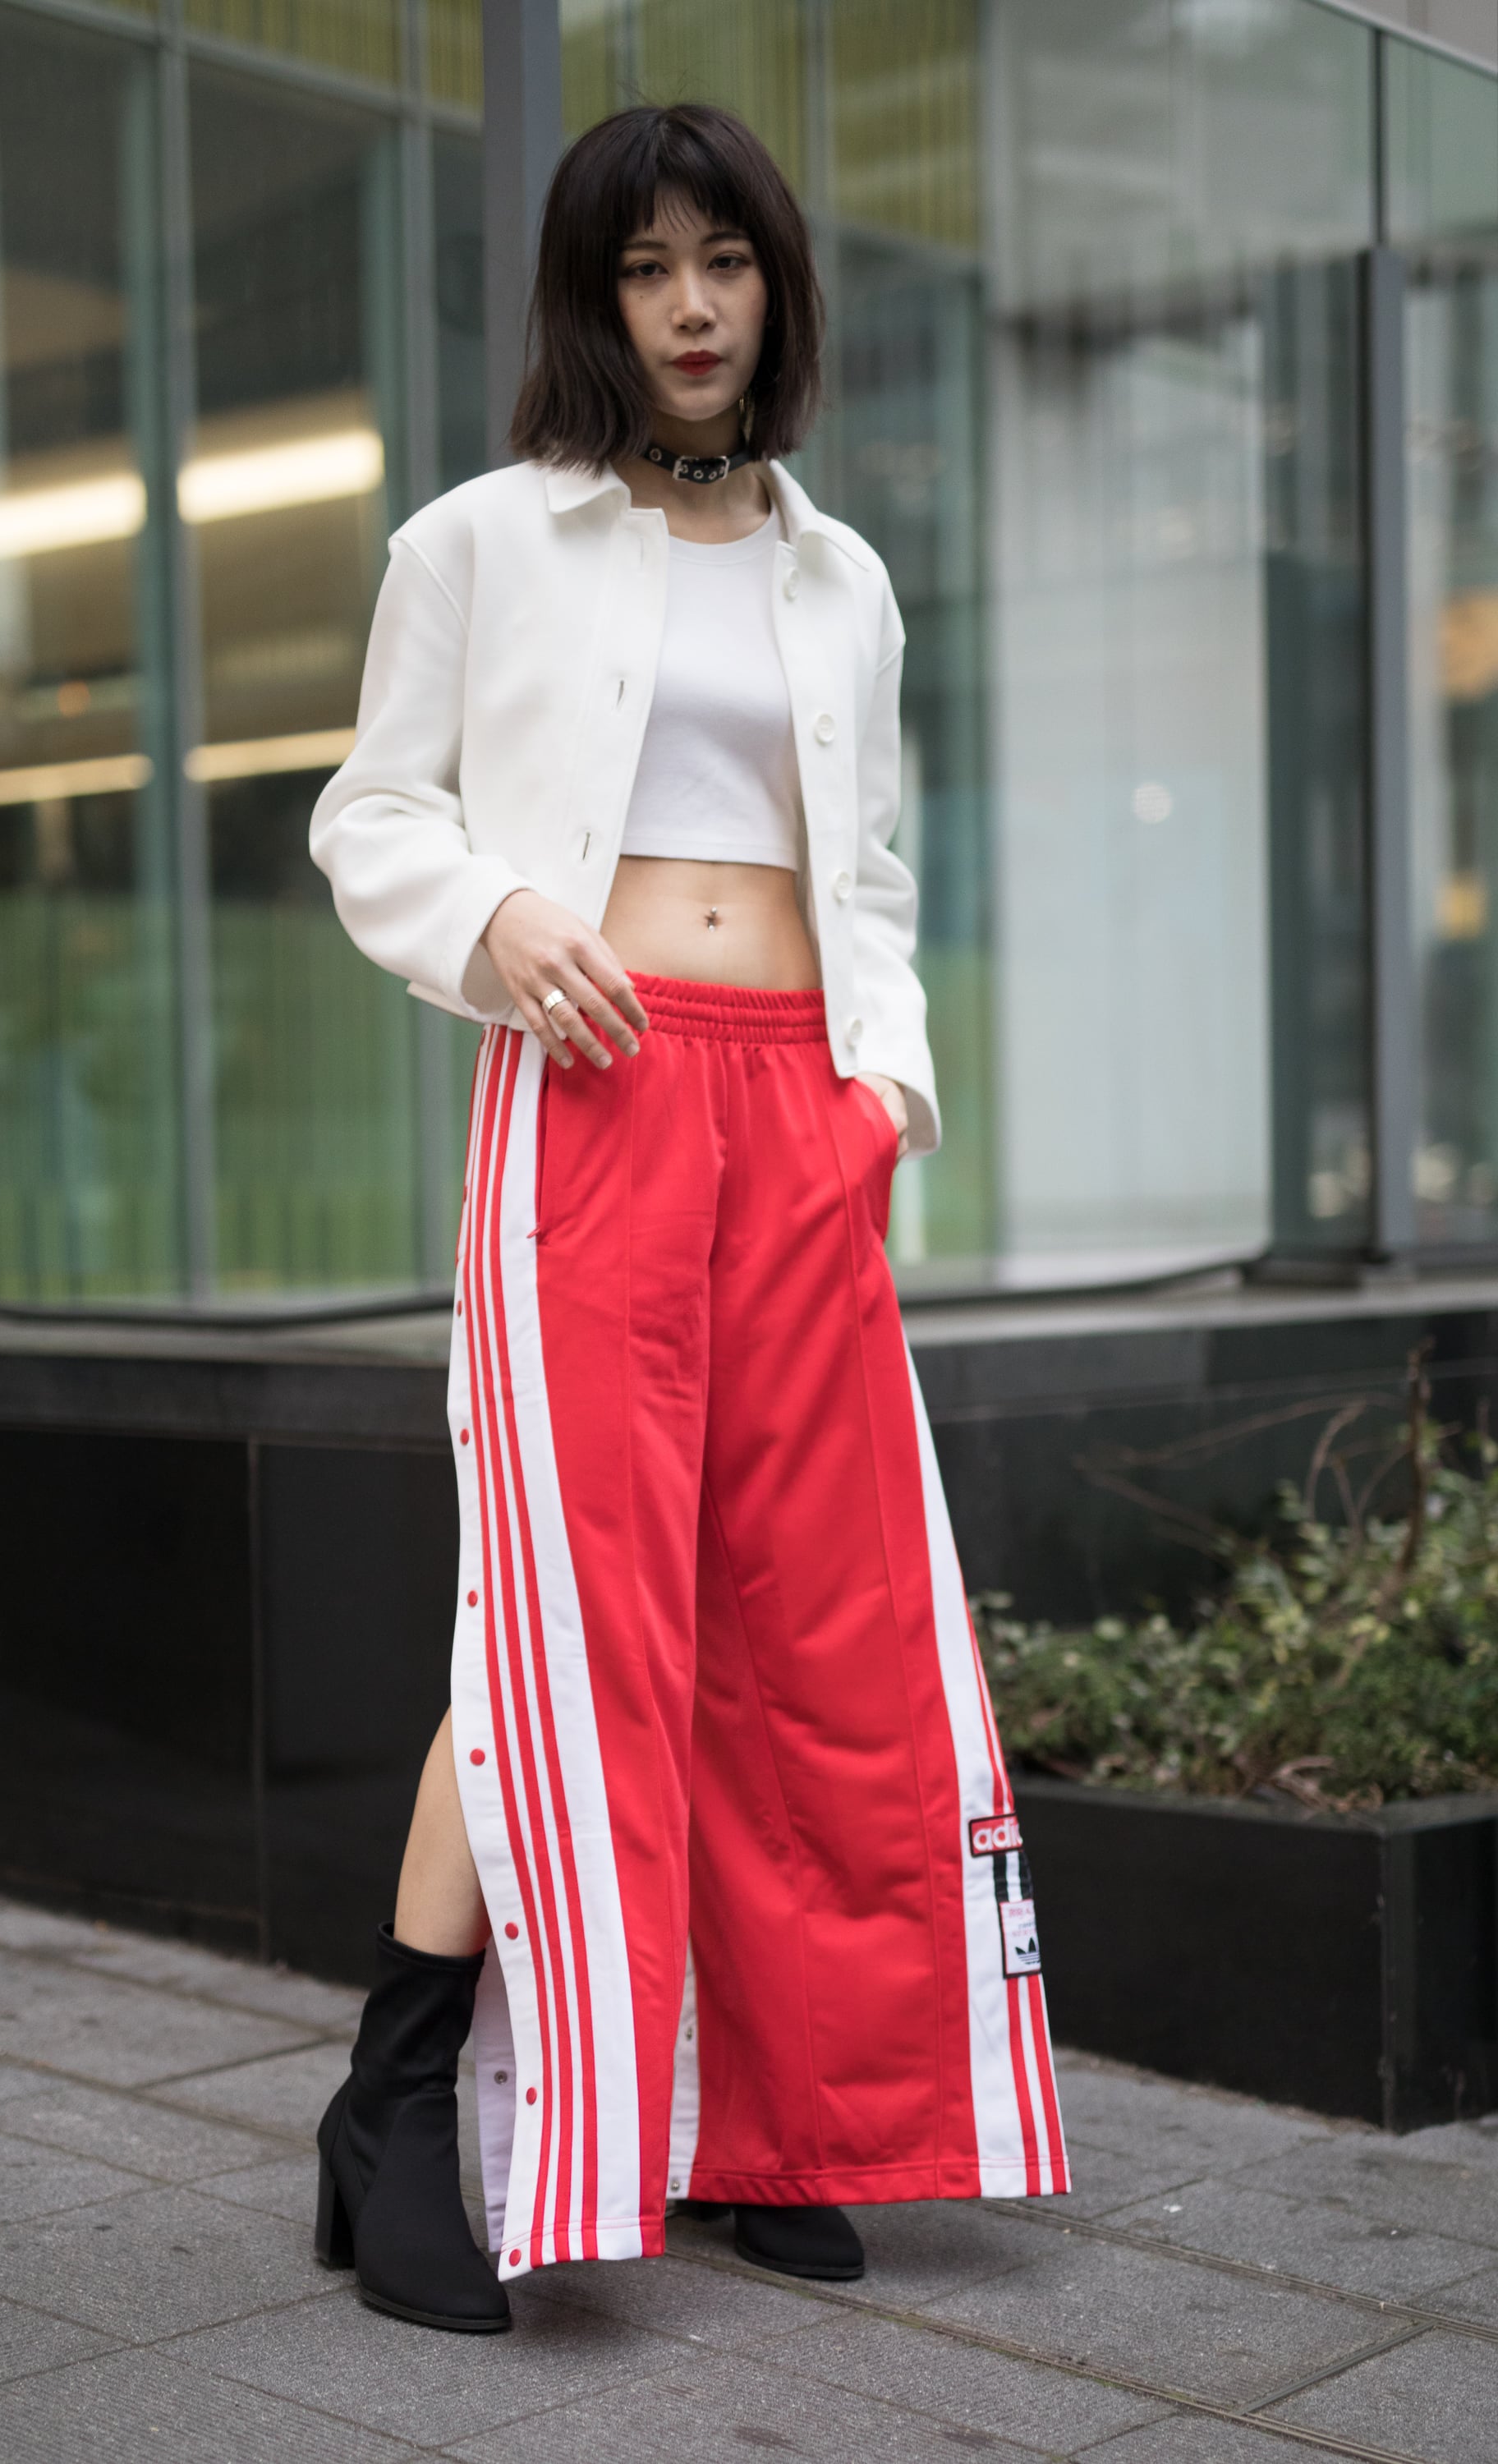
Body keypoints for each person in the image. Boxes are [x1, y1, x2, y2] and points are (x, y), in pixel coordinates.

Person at [306, 101, 1068, 2338]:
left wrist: (883, 1093)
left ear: (777, 282)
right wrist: (502, 913)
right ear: (590, 299)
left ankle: (774, 2134)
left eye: (723, 260)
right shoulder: (483, 542)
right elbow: (372, 814)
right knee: (571, 1616)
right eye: (646, 268)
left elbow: (882, 881)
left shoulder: (844, 578)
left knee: (804, 1639)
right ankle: (400, 2100)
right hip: (595, 1110)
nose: (695, 307)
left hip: (797, 1125)